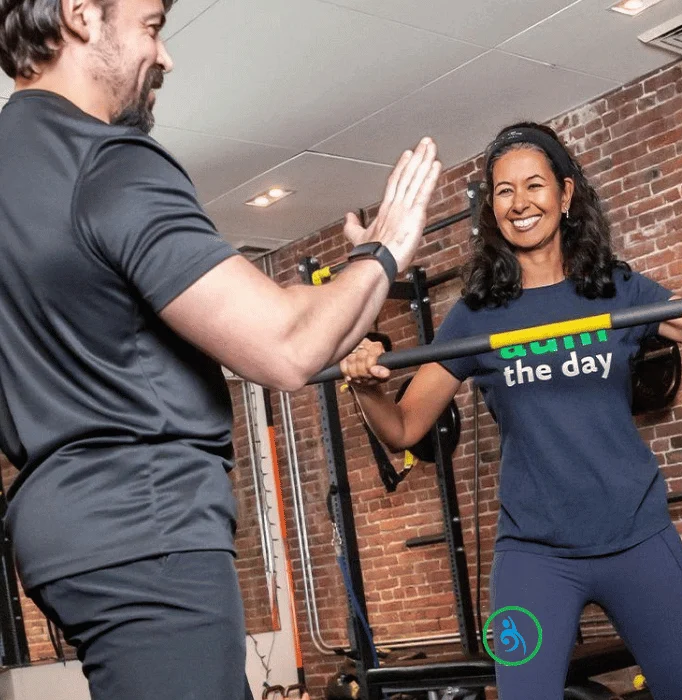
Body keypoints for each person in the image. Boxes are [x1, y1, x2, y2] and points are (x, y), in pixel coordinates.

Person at [0, 1, 441, 699]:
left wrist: (351, 296)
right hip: (147, 530)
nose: (165, 56)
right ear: (82, 15)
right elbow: (286, 346)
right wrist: (385, 252)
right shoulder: (107, 161)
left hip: (68, 538)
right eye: (150, 25)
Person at [338, 122, 682, 699]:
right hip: (533, 559)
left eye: (534, 185)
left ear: (565, 196)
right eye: (504, 191)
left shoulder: (616, 290)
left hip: (638, 539)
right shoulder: (476, 315)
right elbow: (406, 428)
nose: (520, 203)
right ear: (492, 209)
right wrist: (364, 387)